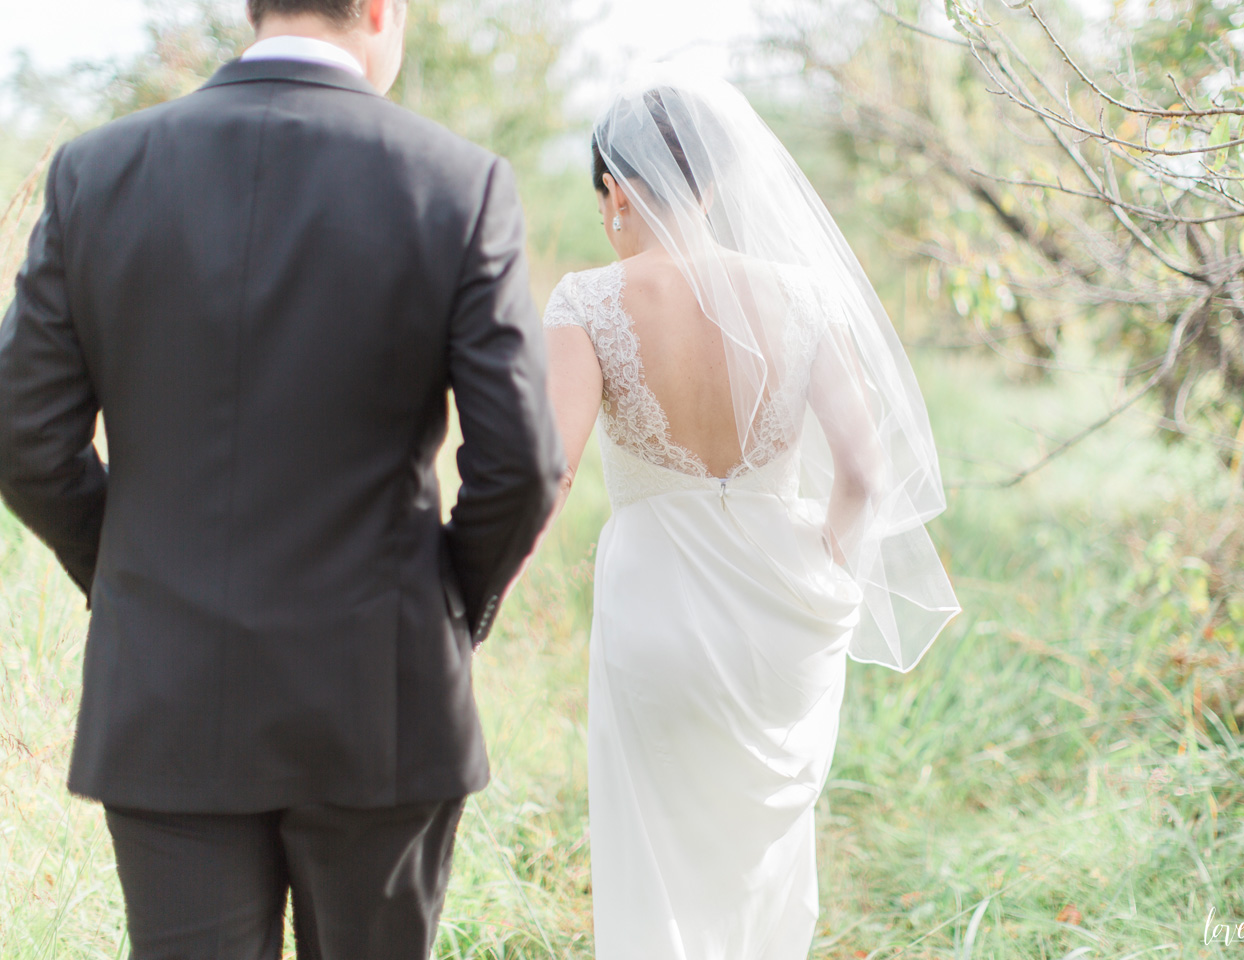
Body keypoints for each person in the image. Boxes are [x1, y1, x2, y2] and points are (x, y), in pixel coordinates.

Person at [0, 0, 566, 956]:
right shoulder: (456, 182)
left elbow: (22, 431)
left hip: (167, 693)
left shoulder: (96, 171)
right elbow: (520, 463)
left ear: (254, 10)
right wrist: (441, 607)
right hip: (382, 698)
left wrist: (133, 575)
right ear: (381, 9)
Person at [541, 67, 962, 960]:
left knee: (655, 863)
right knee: (761, 867)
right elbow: (864, 471)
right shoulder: (801, 294)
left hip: (656, 611)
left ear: (615, 190)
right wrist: (827, 564)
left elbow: (551, 471)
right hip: (780, 612)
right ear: (718, 182)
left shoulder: (587, 301)